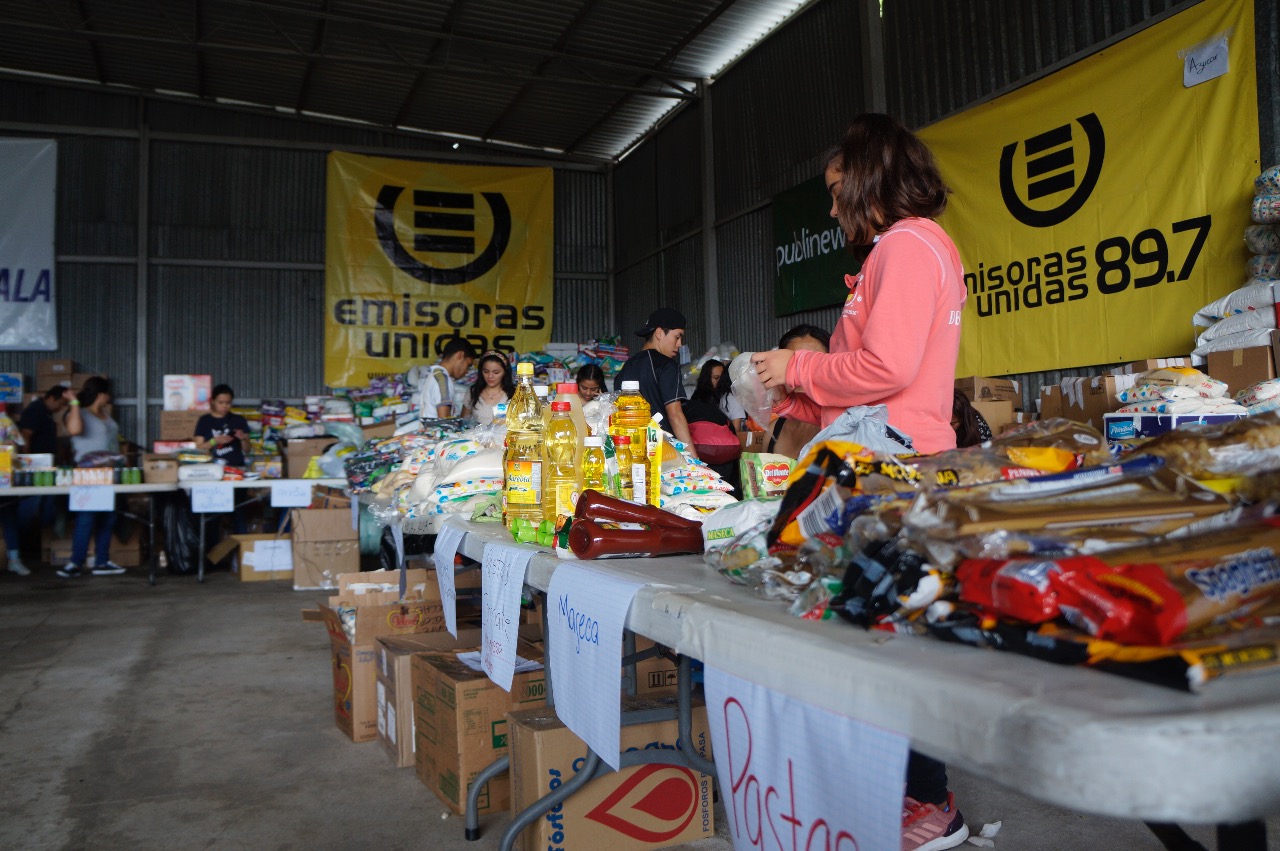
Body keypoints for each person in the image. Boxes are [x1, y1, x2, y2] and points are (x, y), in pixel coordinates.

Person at [752, 113, 968, 851]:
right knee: (877, 629)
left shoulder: (906, 247)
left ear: (871, 176)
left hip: (899, 469)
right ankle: (904, 793)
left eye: (838, 186)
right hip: (884, 459)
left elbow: (890, 370)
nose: (832, 203)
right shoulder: (898, 251)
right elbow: (865, 385)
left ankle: (929, 803)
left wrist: (800, 367)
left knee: (892, 636)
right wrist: (798, 396)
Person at [59, 376, 125, 578]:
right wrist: (75, 403)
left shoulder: (106, 415)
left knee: (108, 517)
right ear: (101, 394)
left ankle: (102, 561)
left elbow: (114, 442)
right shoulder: (80, 413)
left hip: (109, 473)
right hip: (88, 474)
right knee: (86, 517)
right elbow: (74, 430)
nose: (110, 398)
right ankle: (75, 563)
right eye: (108, 394)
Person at [612, 307, 697, 458]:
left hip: (630, 452)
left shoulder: (625, 369)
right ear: (659, 333)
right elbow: (675, 414)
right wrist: (693, 459)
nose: (679, 344)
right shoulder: (666, 365)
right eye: (677, 337)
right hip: (662, 452)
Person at [765, 327, 829, 459]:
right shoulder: (774, 429)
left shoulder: (839, 428)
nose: (801, 374)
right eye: (794, 364)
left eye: (812, 364)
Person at [195, 384, 251, 468]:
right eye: (220, 402)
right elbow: (198, 448)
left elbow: (247, 450)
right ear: (213, 401)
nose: (224, 406)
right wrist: (214, 441)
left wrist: (242, 439)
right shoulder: (204, 420)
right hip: (211, 469)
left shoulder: (239, 420)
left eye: (228, 403)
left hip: (236, 468)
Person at [420, 338, 476, 419]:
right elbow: (444, 422)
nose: (467, 371)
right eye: (468, 365)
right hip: (437, 431)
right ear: (460, 355)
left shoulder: (434, 375)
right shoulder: (443, 380)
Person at [691, 360, 747, 433]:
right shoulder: (703, 399)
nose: (720, 381)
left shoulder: (722, 396)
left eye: (722, 378)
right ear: (706, 378)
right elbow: (736, 432)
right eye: (716, 378)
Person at [463, 353, 515, 425]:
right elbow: (464, 421)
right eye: (486, 371)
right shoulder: (473, 391)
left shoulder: (514, 394)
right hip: (475, 435)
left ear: (505, 372)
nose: (490, 376)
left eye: (496, 372)